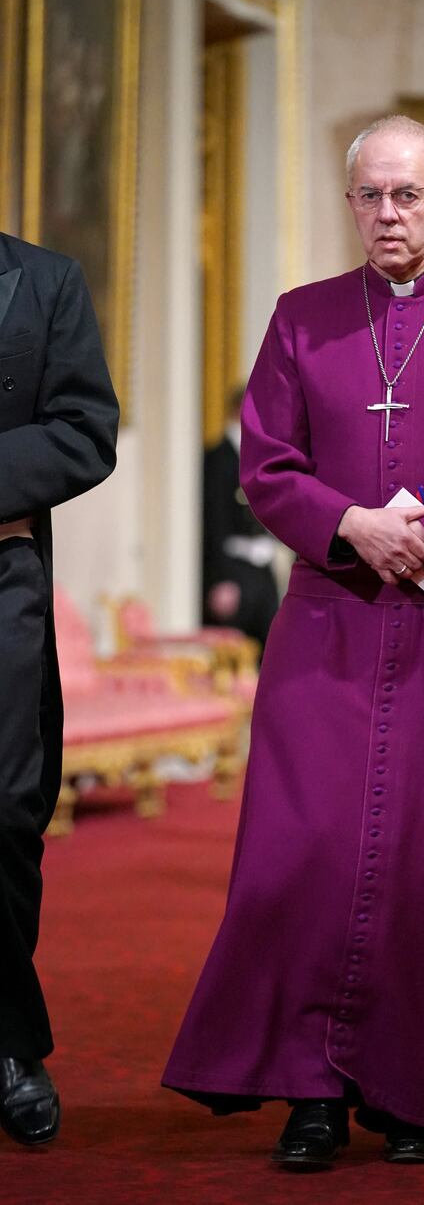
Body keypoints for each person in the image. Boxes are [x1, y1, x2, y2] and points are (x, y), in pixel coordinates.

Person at [163, 115, 424, 1169]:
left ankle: (411, 1088)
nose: (384, 215)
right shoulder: (301, 319)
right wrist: (350, 526)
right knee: (302, 856)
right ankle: (311, 1095)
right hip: (329, 625)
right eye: (366, 197)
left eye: (403, 195)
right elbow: (265, 461)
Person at [0, 232, 119, 1145]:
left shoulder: (47, 281)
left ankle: (8, 1041)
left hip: (2, 581)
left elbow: (86, 431)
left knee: (6, 815)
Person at [203, 386, 279, 649]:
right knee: (234, 654)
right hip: (232, 570)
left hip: (261, 567)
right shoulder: (218, 458)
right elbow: (214, 524)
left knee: (271, 646)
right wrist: (220, 579)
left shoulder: (258, 457)